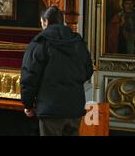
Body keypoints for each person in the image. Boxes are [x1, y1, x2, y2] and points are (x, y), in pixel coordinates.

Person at [20, 7, 94, 136]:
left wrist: (27, 104)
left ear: (45, 21)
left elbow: (29, 77)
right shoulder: (78, 42)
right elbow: (88, 71)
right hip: (74, 108)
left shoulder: (40, 43)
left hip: (50, 110)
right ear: (62, 21)